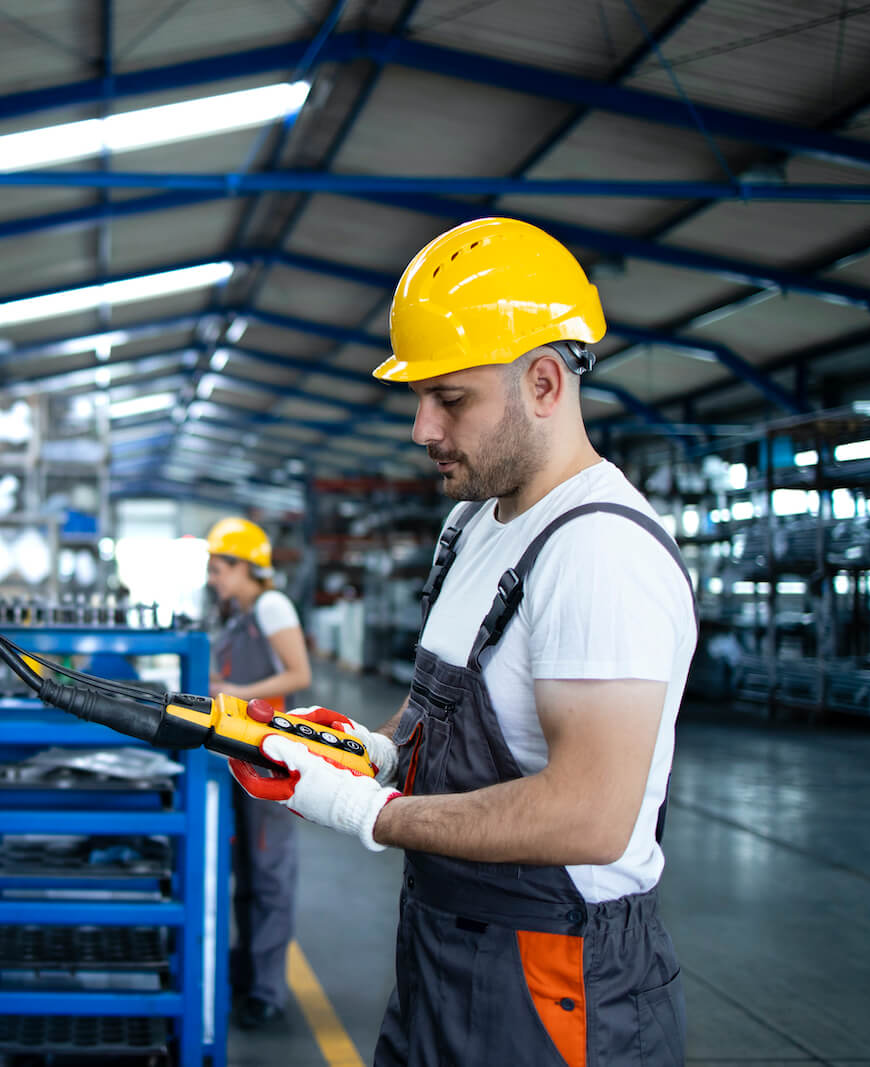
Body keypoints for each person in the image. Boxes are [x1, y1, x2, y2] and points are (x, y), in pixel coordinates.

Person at [233, 217, 697, 1066]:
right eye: (420, 398)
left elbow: (592, 814)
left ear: (546, 384)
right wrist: (370, 751)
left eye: (450, 398)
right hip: (443, 945)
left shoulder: (599, 551)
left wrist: (372, 811)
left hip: (554, 976)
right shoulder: (475, 525)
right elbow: (442, 710)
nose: (422, 428)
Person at [204, 516, 312, 1030]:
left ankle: (267, 989)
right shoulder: (237, 615)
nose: (214, 578)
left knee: (268, 872)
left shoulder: (271, 606)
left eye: (219, 568)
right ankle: (247, 973)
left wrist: (229, 693)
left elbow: (299, 674)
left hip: (269, 756)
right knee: (245, 870)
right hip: (240, 753)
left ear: (247, 567)